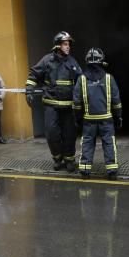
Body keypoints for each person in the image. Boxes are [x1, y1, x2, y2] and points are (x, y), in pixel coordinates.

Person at [26, 31, 83, 171]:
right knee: (52, 134)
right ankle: (57, 158)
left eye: (69, 44)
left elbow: (81, 81)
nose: (68, 46)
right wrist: (29, 89)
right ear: (58, 46)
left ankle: (69, 160)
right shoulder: (47, 60)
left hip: (68, 106)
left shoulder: (72, 62)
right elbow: (33, 74)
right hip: (51, 105)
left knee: (70, 134)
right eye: (65, 44)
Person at [73, 47, 122, 179]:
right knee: (109, 143)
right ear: (101, 61)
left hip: (89, 120)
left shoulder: (81, 79)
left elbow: (76, 103)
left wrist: (77, 118)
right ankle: (112, 171)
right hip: (106, 119)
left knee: (87, 143)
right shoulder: (109, 78)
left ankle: (84, 170)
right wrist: (118, 117)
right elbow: (116, 101)